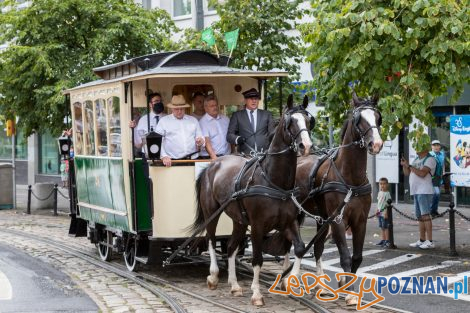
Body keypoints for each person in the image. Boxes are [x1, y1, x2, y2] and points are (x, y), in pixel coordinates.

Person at [155, 95, 205, 167]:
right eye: (176, 109)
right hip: (172, 161)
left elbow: (200, 137)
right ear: (172, 109)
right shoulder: (163, 121)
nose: (179, 111)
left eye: (181, 109)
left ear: (185, 108)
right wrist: (164, 156)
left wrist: (201, 141)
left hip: (193, 160)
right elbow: (158, 141)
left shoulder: (193, 120)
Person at [401, 148, 436, 249]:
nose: (415, 148)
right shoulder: (416, 159)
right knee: (420, 217)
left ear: (424, 148)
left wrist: (409, 166)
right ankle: (422, 240)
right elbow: (407, 173)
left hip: (424, 190)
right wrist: (405, 166)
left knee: (425, 215)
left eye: (418, 146)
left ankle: (430, 241)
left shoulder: (430, 159)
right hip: (416, 191)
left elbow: (422, 173)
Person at [226, 88, 274, 155]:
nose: (254, 101)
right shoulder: (237, 115)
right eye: (251, 98)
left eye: (256, 98)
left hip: (264, 155)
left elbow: (273, 134)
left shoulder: (267, 114)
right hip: (244, 155)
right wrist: (237, 139)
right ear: (245, 100)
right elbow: (229, 136)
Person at [199, 95, 231, 160]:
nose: (215, 107)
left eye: (216, 105)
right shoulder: (202, 122)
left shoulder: (225, 119)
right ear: (205, 108)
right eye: (212, 106)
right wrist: (214, 157)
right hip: (211, 158)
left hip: (227, 156)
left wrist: (233, 152)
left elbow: (230, 136)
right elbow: (206, 142)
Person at [430, 140, 445, 217]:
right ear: (431, 147)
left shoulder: (442, 154)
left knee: (437, 195)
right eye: (434, 145)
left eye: (437, 145)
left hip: (439, 177)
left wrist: (444, 173)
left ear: (440, 146)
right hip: (431, 177)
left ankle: (434, 211)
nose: (436, 147)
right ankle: (431, 211)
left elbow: (442, 165)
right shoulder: (430, 155)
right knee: (436, 193)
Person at [376, 177, 392, 247]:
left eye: (384, 184)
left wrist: (386, 212)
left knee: (385, 227)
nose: (382, 185)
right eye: (381, 184)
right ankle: (383, 240)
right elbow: (378, 202)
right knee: (382, 227)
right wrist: (377, 210)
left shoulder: (387, 194)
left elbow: (388, 204)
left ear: (387, 184)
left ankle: (387, 241)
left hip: (384, 213)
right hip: (380, 212)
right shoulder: (380, 193)